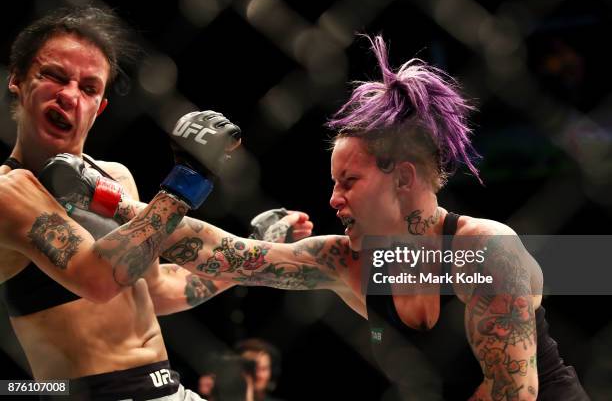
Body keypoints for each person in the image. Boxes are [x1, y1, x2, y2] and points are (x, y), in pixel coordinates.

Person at [108, 36, 590, 400]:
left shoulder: (486, 251)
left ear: (402, 179)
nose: (333, 199)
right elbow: (227, 255)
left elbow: (514, 396)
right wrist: (105, 196)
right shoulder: (349, 262)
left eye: (348, 181)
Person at [0, 6, 311, 400]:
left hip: (168, 388)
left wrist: (257, 241)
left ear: (101, 108)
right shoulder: (7, 194)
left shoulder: (116, 177)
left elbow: (159, 288)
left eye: (89, 88)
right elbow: (97, 279)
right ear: (17, 79)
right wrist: (187, 182)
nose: (69, 96)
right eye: (54, 76)